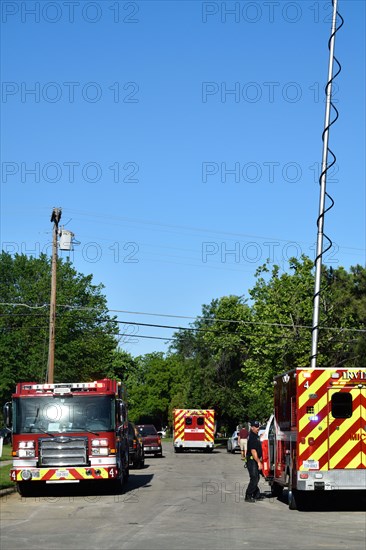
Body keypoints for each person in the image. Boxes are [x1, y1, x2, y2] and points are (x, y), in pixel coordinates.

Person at [244, 421, 264, 503]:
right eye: (256, 427)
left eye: (258, 426)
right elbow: (253, 451)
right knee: (254, 478)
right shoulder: (252, 437)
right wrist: (259, 462)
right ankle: (248, 495)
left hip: (254, 460)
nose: (258, 428)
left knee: (256, 477)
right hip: (252, 460)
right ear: (252, 427)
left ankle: (256, 495)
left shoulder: (255, 436)